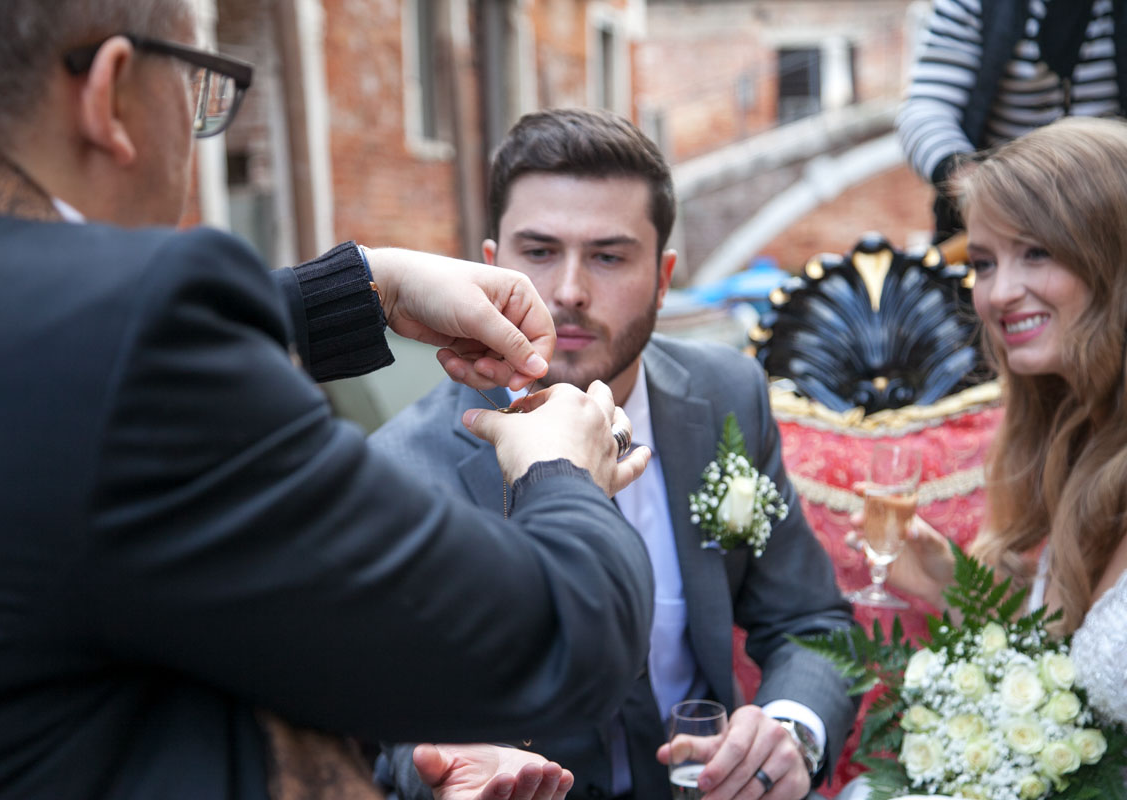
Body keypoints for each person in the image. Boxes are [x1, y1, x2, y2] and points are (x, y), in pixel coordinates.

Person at [0, 2, 660, 798]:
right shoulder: (138, 334)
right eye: (201, 83)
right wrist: (562, 470)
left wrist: (365, 287)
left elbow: (46, 355)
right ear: (113, 94)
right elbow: (559, 635)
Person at [372, 108, 858, 800]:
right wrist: (447, 768)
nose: (569, 290)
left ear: (664, 278)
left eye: (607, 256)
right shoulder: (399, 469)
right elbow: (383, 729)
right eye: (538, 252)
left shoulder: (729, 394)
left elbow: (811, 622)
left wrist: (791, 731)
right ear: (489, 268)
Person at [879, 115, 1127, 734]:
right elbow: (1068, 680)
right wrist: (954, 592)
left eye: (1036, 252)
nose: (998, 293)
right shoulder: (1076, 442)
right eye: (984, 262)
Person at [895, 0, 1125, 241]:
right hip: (998, 223)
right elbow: (926, 108)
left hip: (1113, 221)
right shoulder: (973, 4)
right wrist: (973, 185)